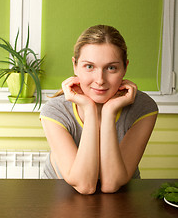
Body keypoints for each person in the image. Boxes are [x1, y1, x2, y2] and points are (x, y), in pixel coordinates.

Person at [40, 25, 158, 194]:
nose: (100, 80)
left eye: (111, 68)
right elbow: (85, 185)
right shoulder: (55, 111)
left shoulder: (143, 107)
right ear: (75, 66)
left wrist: (109, 112)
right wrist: (89, 110)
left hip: (122, 199)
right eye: (89, 66)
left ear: (125, 67)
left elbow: (111, 184)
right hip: (61, 196)